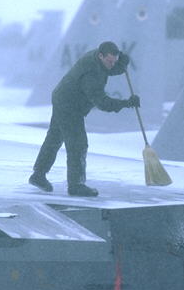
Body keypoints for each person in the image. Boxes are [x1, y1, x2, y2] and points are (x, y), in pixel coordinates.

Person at [29, 41, 140, 197]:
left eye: (114, 61)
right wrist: (126, 103)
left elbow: (109, 69)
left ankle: (38, 175)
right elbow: (103, 103)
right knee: (78, 144)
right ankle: (76, 185)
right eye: (110, 61)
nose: (111, 64)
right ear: (101, 56)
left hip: (63, 96)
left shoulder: (100, 59)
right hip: (69, 105)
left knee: (55, 137)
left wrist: (121, 65)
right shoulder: (91, 75)